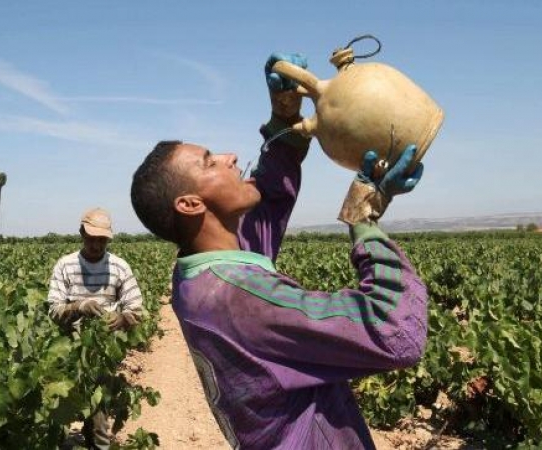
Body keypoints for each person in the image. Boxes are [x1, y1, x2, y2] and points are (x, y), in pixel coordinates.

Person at [129, 52, 429, 449]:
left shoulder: (201, 276)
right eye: (209, 162)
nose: (230, 157)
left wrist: (284, 120)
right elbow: (392, 333)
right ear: (189, 204)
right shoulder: (238, 299)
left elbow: (266, 203)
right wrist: (365, 224)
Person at [47, 207, 143, 450]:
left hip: (103, 352)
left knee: (99, 412)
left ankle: (97, 445)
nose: (97, 245)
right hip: (67, 349)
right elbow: (53, 309)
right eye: (92, 238)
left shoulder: (120, 267)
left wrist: (122, 319)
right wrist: (78, 306)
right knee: (61, 410)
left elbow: (137, 310)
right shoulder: (65, 265)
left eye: (102, 240)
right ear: (81, 233)